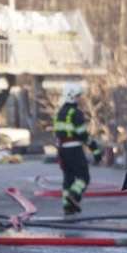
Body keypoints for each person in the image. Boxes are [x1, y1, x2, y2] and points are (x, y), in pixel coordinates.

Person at [54, 81, 101, 215]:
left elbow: (58, 134)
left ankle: (67, 206)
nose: (79, 99)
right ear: (72, 96)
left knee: (68, 178)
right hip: (74, 150)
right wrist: (96, 150)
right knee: (83, 177)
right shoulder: (76, 113)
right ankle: (74, 196)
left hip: (62, 150)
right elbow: (83, 135)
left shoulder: (60, 113)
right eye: (78, 96)